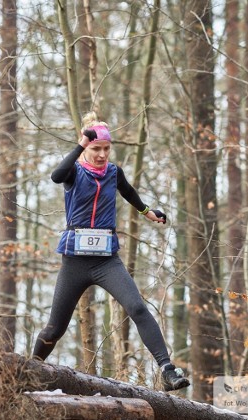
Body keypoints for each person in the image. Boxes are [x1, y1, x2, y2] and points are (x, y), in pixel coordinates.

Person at [32, 112, 190, 392]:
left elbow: (128, 192)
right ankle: (29, 372)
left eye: (106, 149)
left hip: (107, 261)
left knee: (138, 307)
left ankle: (167, 370)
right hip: (75, 262)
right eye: (96, 149)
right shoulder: (74, 171)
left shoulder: (114, 172)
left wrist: (147, 212)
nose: (102, 155)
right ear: (86, 147)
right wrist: (81, 144)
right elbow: (56, 176)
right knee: (55, 329)